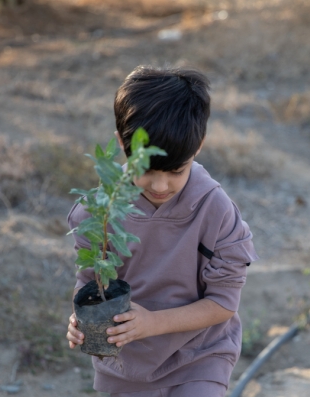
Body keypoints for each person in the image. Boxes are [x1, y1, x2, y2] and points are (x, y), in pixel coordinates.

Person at [65, 66, 258, 397]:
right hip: (125, 365)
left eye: (175, 171)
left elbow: (224, 303)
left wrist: (153, 323)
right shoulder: (97, 213)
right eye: (147, 169)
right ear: (121, 145)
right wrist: (80, 320)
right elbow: (91, 282)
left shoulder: (216, 211)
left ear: (198, 146)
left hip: (199, 357)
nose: (160, 185)